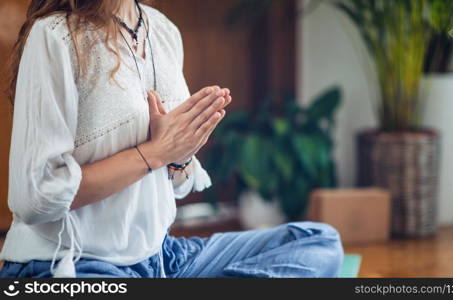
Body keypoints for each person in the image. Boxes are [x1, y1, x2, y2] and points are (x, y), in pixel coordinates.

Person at [0, 0, 343, 278]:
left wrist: (179, 154)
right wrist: (154, 153)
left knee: (317, 243)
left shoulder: (161, 29)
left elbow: (175, 181)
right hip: (69, 263)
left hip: (162, 258)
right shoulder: (56, 35)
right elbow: (36, 197)